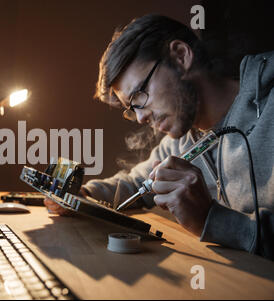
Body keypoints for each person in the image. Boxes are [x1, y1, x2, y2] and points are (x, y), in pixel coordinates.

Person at [44, 15, 273, 260]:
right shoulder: (181, 142)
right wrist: (83, 197)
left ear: (181, 56)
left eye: (140, 95)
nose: (141, 118)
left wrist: (211, 219)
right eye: (132, 109)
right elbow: (134, 184)